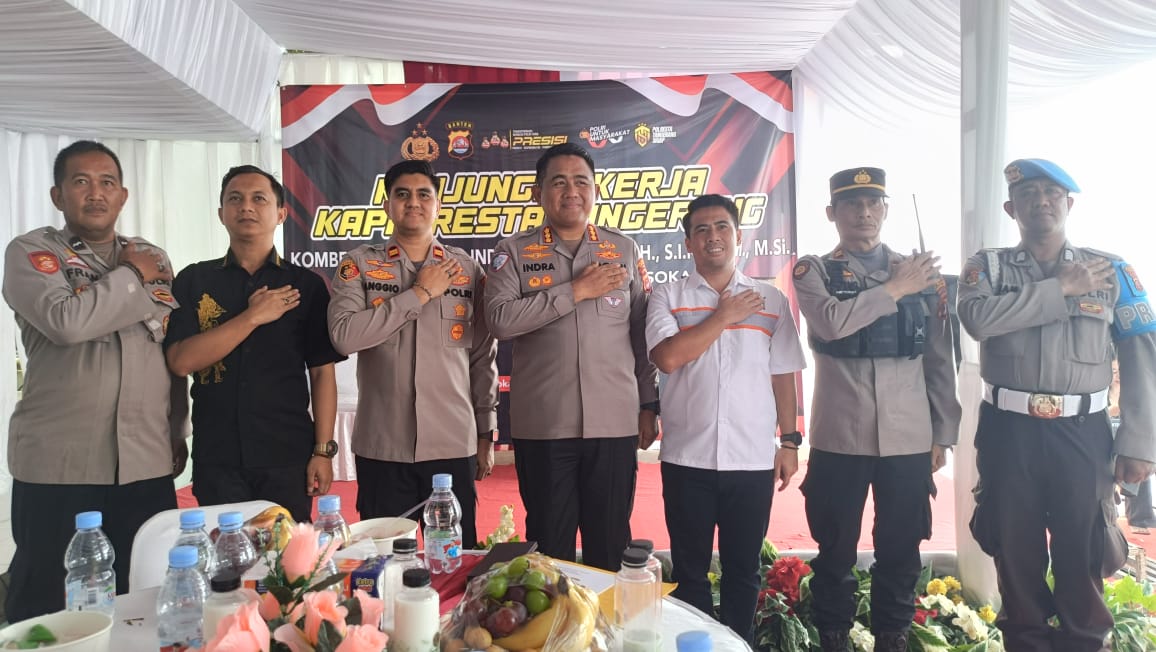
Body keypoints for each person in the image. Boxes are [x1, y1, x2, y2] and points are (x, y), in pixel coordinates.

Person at [958, 158, 1156, 651]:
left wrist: (1140, 442)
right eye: (1028, 194)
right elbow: (977, 320)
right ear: (1011, 208)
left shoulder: (1112, 270)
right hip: (1009, 431)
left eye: (1051, 193)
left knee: (1085, 550)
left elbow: (1141, 358)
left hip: (1083, 433)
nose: (1041, 202)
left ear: (1069, 204)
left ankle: (1085, 642)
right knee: (1014, 552)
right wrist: (1059, 289)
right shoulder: (988, 268)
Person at [3, 140, 187, 620]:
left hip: (144, 460)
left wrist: (177, 430)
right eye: (81, 182)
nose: (96, 193)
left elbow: (167, 349)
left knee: (144, 596)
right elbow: (66, 323)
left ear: (123, 195)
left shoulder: (152, 256)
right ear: (57, 195)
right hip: (61, 463)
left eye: (107, 182)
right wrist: (129, 276)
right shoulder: (33, 252)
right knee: (48, 601)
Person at [793, 167, 961, 652]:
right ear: (832, 213)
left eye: (873, 203)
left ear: (885, 210)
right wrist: (894, 289)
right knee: (835, 551)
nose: (863, 213)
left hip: (909, 436)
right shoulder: (814, 271)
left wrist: (943, 432)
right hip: (840, 436)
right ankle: (833, 638)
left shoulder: (920, 273)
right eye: (851, 204)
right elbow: (831, 323)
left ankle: (893, 637)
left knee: (902, 549)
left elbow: (938, 357)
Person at [484, 142, 659, 571]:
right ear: (538, 193)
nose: (571, 191)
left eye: (581, 181)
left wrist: (649, 404)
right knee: (549, 547)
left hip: (614, 422)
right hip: (545, 424)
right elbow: (500, 321)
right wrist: (575, 291)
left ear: (595, 190)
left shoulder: (624, 249)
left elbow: (642, 335)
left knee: (610, 544)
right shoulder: (514, 252)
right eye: (558, 182)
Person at [645, 194, 806, 642]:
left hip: (751, 460)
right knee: (690, 572)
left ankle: (737, 646)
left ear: (738, 236)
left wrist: (789, 442)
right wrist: (724, 316)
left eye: (721, 227)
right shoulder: (668, 295)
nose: (712, 236)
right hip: (687, 459)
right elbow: (668, 357)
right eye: (701, 230)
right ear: (688, 243)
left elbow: (783, 376)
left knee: (743, 571)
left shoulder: (770, 300)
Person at [327, 160, 497, 547]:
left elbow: (482, 357)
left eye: (424, 194)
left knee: (454, 559)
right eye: (402, 194)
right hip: (383, 444)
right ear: (387, 205)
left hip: (452, 441)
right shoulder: (360, 265)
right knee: (384, 561)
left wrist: (486, 431)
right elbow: (344, 337)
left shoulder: (467, 270)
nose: (413, 202)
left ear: (438, 205)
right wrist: (418, 294)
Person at [165, 165, 344, 523]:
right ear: (221, 214)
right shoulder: (194, 280)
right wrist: (252, 317)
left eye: (259, 199)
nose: (246, 206)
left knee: (288, 554)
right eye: (236, 199)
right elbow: (181, 362)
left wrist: (323, 452)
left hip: (286, 454)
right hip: (217, 454)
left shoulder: (304, 285)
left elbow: (322, 373)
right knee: (223, 553)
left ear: (281, 214)